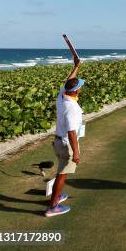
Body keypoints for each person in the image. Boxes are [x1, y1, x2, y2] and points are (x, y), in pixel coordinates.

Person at [45, 57, 84, 217]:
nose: (81, 88)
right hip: (66, 144)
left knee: (61, 172)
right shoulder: (72, 108)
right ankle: (53, 206)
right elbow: (72, 132)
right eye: (80, 87)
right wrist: (76, 152)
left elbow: (68, 81)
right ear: (75, 91)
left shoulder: (62, 97)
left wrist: (76, 66)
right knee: (62, 175)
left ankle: (57, 197)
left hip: (57, 141)